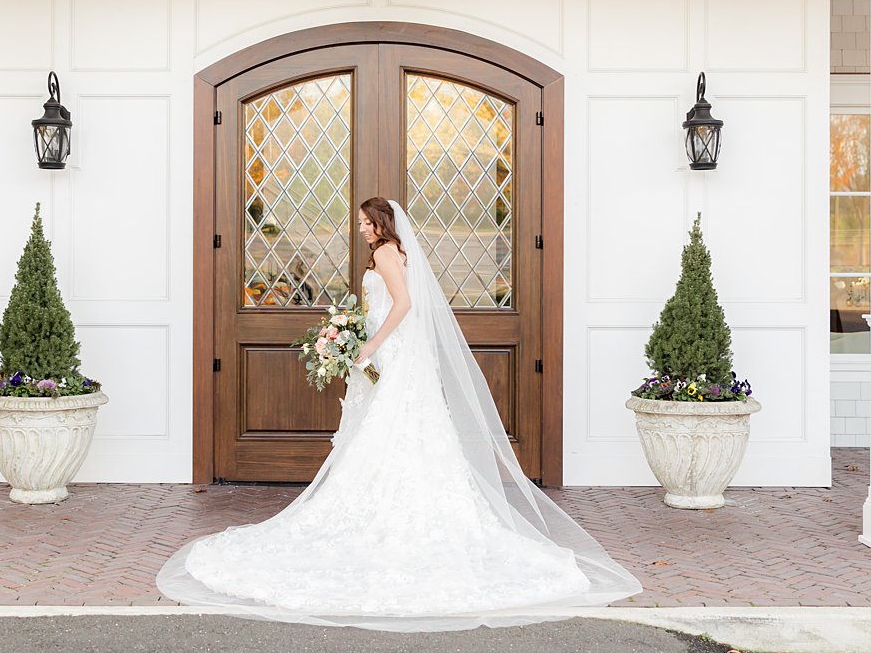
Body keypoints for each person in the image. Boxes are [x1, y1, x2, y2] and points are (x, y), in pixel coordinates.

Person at [157, 197, 642, 631]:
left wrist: (369, 342)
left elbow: (405, 304)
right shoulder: (391, 253)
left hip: (395, 352)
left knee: (393, 428)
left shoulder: (388, 254)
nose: (362, 229)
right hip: (396, 354)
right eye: (362, 223)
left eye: (367, 223)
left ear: (383, 224)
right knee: (394, 430)